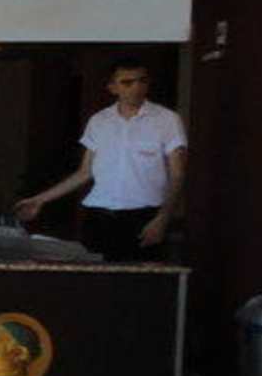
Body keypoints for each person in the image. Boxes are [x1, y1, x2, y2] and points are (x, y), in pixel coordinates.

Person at [15, 57, 186, 262]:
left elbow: (177, 174)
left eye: (142, 81)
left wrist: (163, 218)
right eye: (127, 82)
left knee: (141, 277)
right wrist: (40, 199)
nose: (136, 87)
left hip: (144, 216)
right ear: (112, 88)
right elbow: (85, 172)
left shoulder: (167, 120)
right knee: (96, 276)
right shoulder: (99, 121)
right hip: (99, 215)